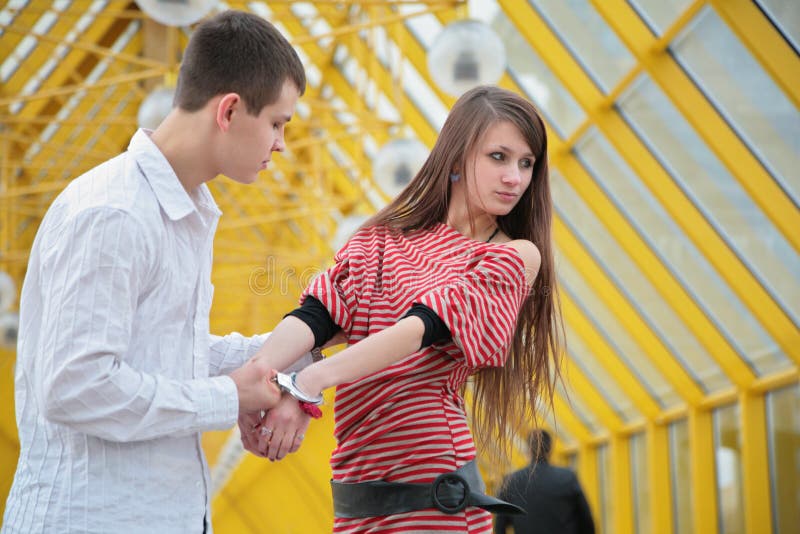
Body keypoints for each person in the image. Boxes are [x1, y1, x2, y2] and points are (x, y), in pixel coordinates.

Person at [2, 11, 310, 533]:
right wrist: (228, 396)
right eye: (278, 123)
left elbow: (167, 354)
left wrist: (297, 349)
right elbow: (76, 386)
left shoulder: (182, 213)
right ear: (230, 110)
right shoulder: (114, 213)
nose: (281, 144)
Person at [238, 85, 564, 533]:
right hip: (356, 493)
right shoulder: (381, 241)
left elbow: (418, 330)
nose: (514, 177)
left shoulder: (512, 257)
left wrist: (305, 385)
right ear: (455, 157)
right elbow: (317, 316)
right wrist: (258, 379)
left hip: (432, 491)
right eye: (499, 157)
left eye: (526, 164)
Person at [494, 430, 595, 534]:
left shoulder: (511, 481)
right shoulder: (567, 477)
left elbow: (500, 525)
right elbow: (586, 520)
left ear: (528, 451)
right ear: (550, 450)